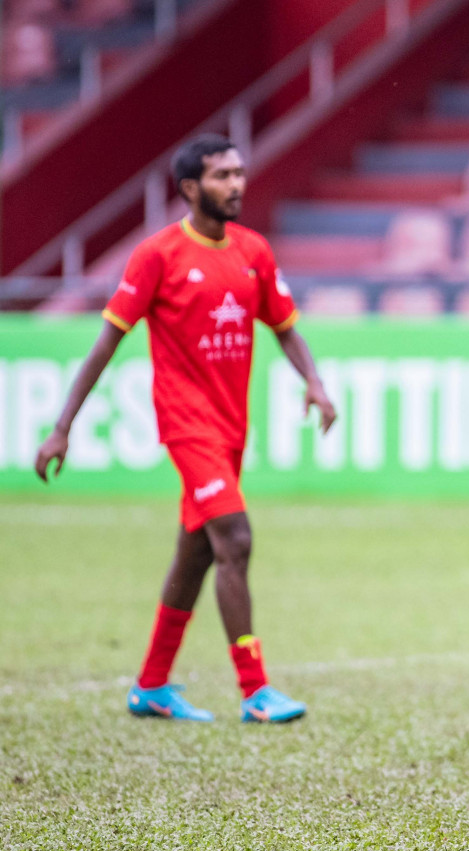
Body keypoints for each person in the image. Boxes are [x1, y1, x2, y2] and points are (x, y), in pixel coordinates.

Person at [34, 134, 337, 723]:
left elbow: (285, 328)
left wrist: (315, 383)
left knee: (196, 554)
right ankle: (255, 692)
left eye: (240, 173)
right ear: (190, 188)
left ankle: (151, 685)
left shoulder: (253, 251)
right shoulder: (158, 255)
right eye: (223, 175)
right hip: (187, 426)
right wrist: (62, 426)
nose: (237, 184)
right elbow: (106, 343)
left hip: (230, 429)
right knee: (237, 540)